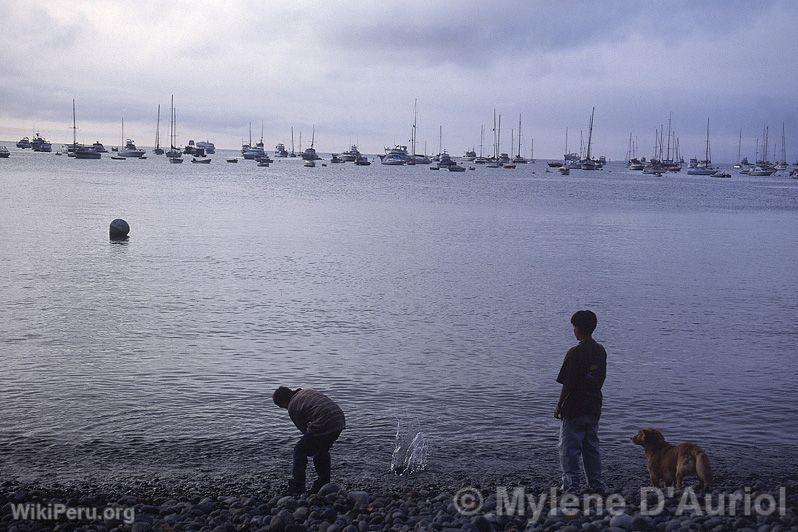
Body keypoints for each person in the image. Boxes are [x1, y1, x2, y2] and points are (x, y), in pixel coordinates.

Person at [554, 310, 608, 493]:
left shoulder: (574, 353)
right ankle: (596, 483)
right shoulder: (601, 351)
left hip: (574, 406)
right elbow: (600, 380)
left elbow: (567, 384)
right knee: (591, 446)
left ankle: (571, 485)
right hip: (593, 405)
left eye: (574, 327)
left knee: (569, 448)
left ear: (578, 329)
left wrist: (559, 405)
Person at [273, 386, 346, 494]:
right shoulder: (306, 392)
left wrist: (309, 448)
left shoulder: (293, 406)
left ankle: (298, 486)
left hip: (324, 421)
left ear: (283, 402)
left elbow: (304, 429)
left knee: (299, 451)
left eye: (282, 407)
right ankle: (323, 483)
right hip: (339, 420)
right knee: (321, 451)